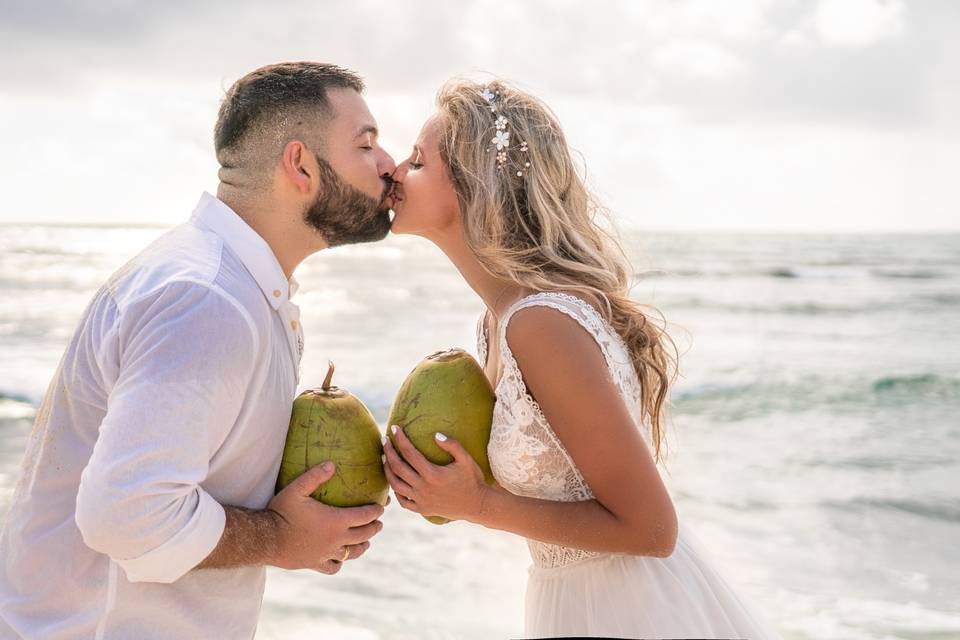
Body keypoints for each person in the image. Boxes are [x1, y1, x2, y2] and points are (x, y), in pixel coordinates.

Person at [0, 62, 395, 639]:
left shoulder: (230, 287)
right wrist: (282, 538)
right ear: (301, 165)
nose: (388, 164)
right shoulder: (207, 301)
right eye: (366, 145)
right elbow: (126, 515)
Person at [384, 78, 782, 639]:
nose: (395, 172)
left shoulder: (540, 323)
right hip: (570, 598)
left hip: (632, 610)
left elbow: (651, 527)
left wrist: (476, 504)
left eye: (418, 162)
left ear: (477, 188)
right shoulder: (498, 322)